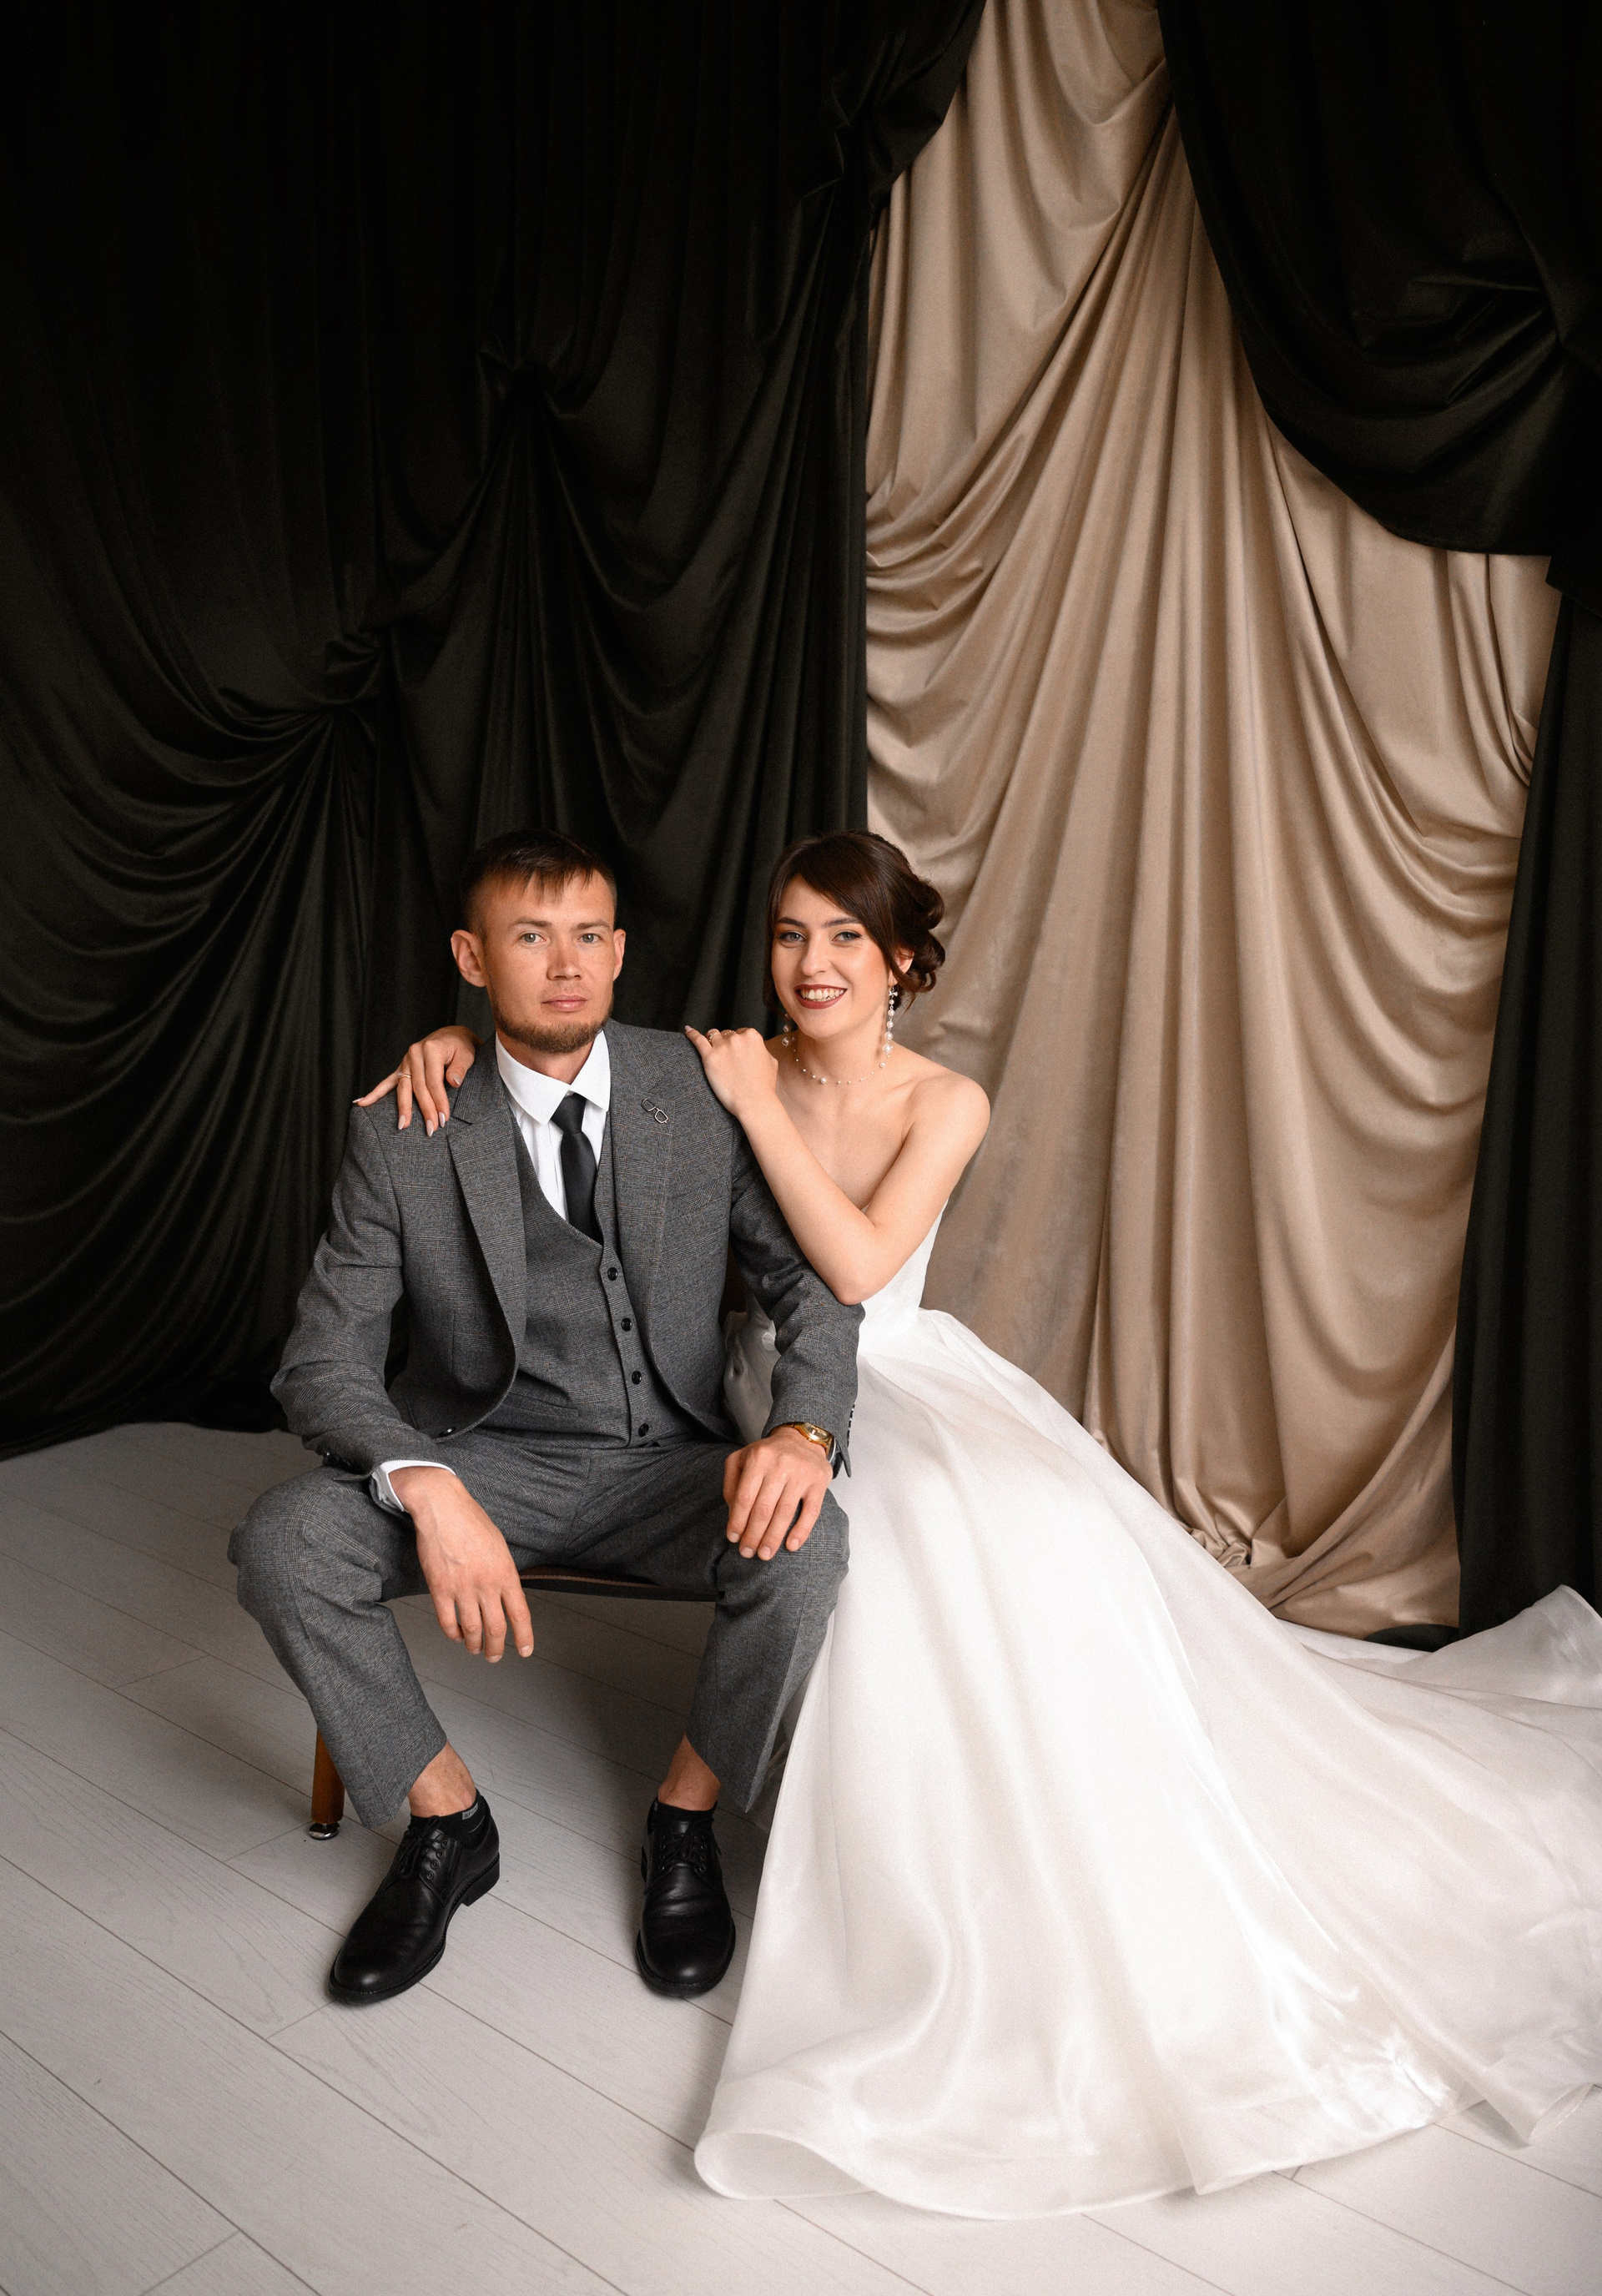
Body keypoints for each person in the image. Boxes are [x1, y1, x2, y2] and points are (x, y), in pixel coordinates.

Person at [377, 829, 1602, 2218]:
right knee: (881, 1526)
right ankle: (812, 1857)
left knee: (1014, 1513)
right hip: (765, 1382)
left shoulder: (937, 1099)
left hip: (906, 1368)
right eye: (790, 933)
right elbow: (568, 1052)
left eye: (847, 937)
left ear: (902, 961)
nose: (813, 962)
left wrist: (757, 1108)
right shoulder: (724, 1065)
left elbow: (856, 1268)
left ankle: (1071, 1847)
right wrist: (452, 1040)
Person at [229, 829, 859, 2009]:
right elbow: (321, 1359)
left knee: (809, 1543)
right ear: (473, 958)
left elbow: (810, 1286)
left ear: (619, 952)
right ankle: (445, 1820)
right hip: (482, 1461)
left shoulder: (698, 1090)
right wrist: (425, 1480)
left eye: (588, 936)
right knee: (285, 1542)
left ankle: (684, 1818)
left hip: (667, 1464)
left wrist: (803, 1430)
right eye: (530, 937)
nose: (565, 965)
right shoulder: (405, 1125)